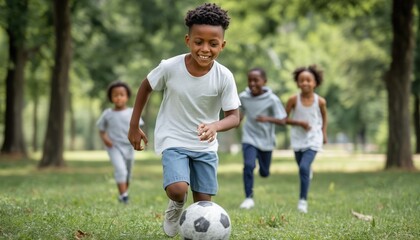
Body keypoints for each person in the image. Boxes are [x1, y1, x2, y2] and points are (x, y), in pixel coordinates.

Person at [127, 3, 240, 237]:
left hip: (205, 146)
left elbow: (234, 117)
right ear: (188, 40)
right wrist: (134, 125)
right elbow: (146, 86)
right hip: (174, 139)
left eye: (213, 43)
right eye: (199, 42)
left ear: (223, 45)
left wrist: (214, 126)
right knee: (178, 189)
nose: (205, 49)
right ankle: (176, 206)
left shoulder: (224, 76)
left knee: (203, 206)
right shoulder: (170, 67)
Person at [238, 67, 287, 209]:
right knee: (248, 166)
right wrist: (237, 121)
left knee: (264, 173)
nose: (252, 83)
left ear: (264, 81)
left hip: (266, 140)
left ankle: (263, 169)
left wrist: (267, 119)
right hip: (249, 137)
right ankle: (248, 198)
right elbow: (240, 113)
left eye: (256, 80)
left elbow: (283, 120)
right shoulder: (243, 97)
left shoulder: (272, 99)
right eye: (250, 80)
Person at [285, 64, 328, 213]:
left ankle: (302, 201)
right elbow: (284, 119)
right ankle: (307, 171)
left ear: (315, 82)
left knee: (303, 167)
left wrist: (324, 133)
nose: (305, 83)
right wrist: (299, 123)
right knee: (302, 167)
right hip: (298, 138)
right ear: (297, 83)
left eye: (308, 80)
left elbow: (324, 116)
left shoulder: (320, 101)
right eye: (301, 80)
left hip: (313, 138)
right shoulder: (293, 100)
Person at [97, 80, 144, 204]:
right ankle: (124, 196)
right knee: (121, 170)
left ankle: (124, 193)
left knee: (128, 173)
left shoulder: (132, 112)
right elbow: (101, 130)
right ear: (111, 98)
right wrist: (105, 139)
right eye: (115, 95)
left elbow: (139, 129)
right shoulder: (108, 114)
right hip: (114, 146)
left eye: (121, 94)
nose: (119, 98)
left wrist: (139, 141)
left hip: (129, 146)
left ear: (127, 96)